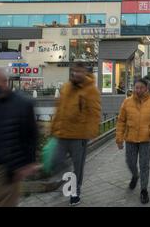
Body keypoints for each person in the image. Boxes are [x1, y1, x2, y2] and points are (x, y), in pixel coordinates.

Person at [50, 62, 101, 206]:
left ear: (85, 72)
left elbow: (95, 112)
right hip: (62, 134)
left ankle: (75, 193)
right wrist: (53, 128)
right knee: (56, 161)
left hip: (79, 136)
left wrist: (91, 133)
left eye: (80, 71)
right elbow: (59, 109)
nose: (77, 74)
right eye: (75, 71)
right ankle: (67, 179)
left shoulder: (91, 90)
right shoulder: (66, 87)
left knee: (78, 167)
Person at [116, 78, 150, 204]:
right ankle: (135, 175)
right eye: (136, 87)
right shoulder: (127, 102)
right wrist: (119, 139)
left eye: (141, 88)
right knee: (130, 162)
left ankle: (144, 190)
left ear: (146, 88)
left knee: (144, 165)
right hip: (130, 139)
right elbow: (121, 121)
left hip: (146, 139)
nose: (138, 90)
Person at [0, 68, 39, 207]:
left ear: (5, 82)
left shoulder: (22, 104)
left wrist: (29, 162)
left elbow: (31, 135)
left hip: (7, 172)